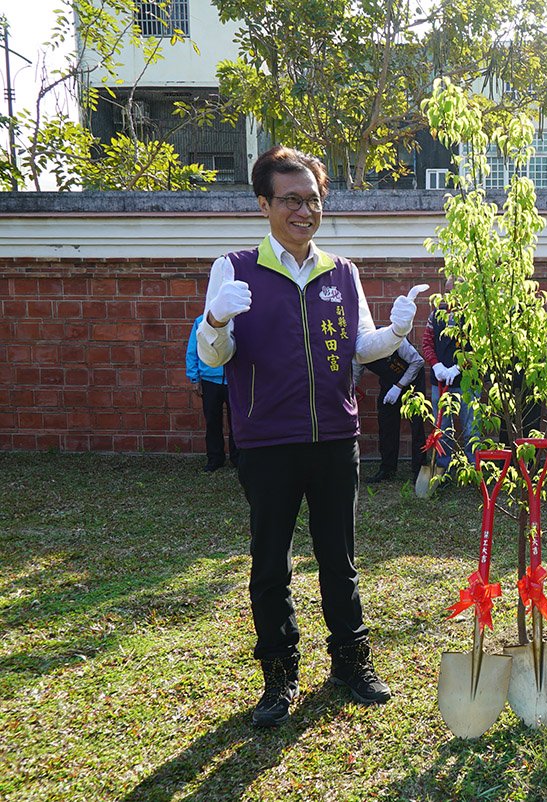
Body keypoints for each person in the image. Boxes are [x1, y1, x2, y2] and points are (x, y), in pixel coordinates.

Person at [197, 145, 427, 727]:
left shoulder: (341, 272)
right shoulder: (234, 269)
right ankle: (279, 675)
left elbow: (359, 347)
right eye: (291, 200)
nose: (304, 210)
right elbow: (212, 356)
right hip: (267, 441)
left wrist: (396, 331)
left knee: (339, 558)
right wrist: (216, 319)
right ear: (264, 204)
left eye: (313, 200)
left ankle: (351, 662)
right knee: (270, 562)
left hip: (333, 440)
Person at [358, 338, 425, 484]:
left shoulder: (392, 337)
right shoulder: (358, 351)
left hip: (413, 380)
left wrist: (399, 386)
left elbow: (418, 361)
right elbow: (355, 376)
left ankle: (419, 469)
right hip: (389, 382)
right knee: (386, 424)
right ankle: (387, 469)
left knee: (417, 425)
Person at [421, 299, 477, 470]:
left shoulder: (473, 317)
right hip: (440, 380)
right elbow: (427, 343)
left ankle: (474, 469)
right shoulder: (435, 316)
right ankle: (442, 469)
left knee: (471, 429)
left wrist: (459, 367)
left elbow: (478, 349)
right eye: (449, 291)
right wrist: (436, 364)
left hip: (467, 382)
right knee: (443, 429)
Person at [186, 314, 238, 472]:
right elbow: (193, 349)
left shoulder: (239, 321)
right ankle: (215, 458)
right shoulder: (201, 321)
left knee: (236, 422)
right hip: (209, 380)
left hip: (235, 380)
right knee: (212, 421)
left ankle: (238, 458)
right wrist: (194, 377)